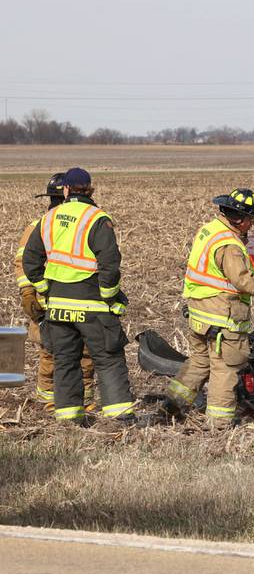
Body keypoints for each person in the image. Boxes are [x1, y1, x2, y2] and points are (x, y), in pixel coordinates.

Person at [162, 188, 254, 429]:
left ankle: (172, 404)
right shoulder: (230, 245)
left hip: (199, 314)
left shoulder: (210, 230)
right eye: (252, 220)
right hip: (221, 318)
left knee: (199, 361)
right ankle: (219, 423)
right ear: (241, 218)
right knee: (224, 369)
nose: (253, 225)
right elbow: (246, 282)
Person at [22, 167, 134, 426]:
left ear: (65, 190)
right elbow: (110, 263)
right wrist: (109, 296)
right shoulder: (97, 219)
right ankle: (119, 419)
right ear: (90, 189)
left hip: (58, 307)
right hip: (93, 305)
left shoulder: (49, 219)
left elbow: (30, 261)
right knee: (108, 358)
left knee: (65, 361)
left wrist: (45, 289)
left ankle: (70, 419)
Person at [14, 173, 96, 410]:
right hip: (49, 300)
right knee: (50, 352)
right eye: (54, 198)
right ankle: (49, 401)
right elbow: (23, 262)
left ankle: (83, 400)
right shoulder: (39, 226)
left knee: (86, 352)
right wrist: (28, 292)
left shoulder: (88, 223)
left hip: (81, 299)